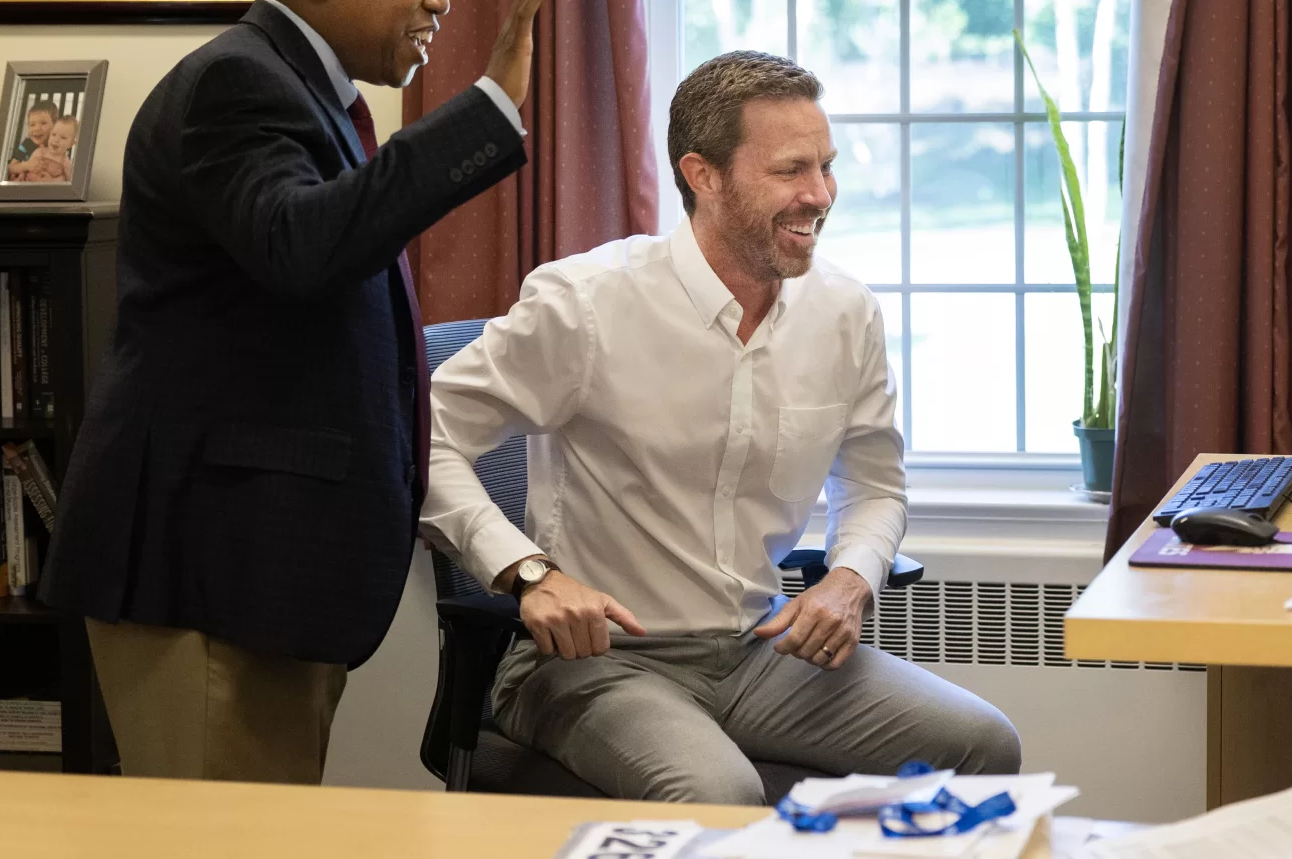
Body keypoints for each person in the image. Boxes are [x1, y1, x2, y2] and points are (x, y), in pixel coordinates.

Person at [40, 0, 553, 785]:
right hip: (203, 571)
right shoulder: (237, 83)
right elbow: (302, 246)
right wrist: (488, 110)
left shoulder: (300, 93)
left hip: (263, 571)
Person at [423, 50, 1021, 805]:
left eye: (826, 166)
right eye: (789, 170)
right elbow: (423, 437)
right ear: (702, 175)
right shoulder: (586, 304)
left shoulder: (843, 312)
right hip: (594, 661)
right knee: (721, 797)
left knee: (984, 745)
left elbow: (872, 483)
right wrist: (527, 571)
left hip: (758, 649)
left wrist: (848, 577)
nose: (819, 195)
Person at [7, 101, 59, 180]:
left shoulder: (58, 147)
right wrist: (27, 165)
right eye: (32, 125)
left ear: (55, 125)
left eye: (43, 123)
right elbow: (10, 168)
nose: (37, 128)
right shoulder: (27, 144)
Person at [23, 114, 77, 182]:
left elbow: (68, 181)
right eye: (54, 134)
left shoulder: (64, 162)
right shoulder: (40, 152)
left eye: (63, 137)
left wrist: (52, 181)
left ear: (71, 144)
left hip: (47, 190)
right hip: (28, 184)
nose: (56, 140)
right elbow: (27, 167)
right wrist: (21, 176)